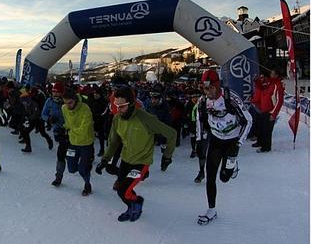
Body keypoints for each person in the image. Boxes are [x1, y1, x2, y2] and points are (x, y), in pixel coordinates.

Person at [96, 86, 176, 222]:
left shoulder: (146, 118)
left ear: (132, 104)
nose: (118, 109)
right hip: (126, 160)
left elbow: (172, 134)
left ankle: (137, 202)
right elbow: (114, 142)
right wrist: (105, 160)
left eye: (122, 106)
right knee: (121, 190)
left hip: (141, 162)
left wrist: (167, 156)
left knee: (124, 191)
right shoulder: (117, 119)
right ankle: (131, 207)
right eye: (116, 105)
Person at [195, 69, 252, 225]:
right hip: (216, 140)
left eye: (210, 88)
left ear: (217, 85)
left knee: (224, 178)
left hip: (232, 142)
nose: (207, 92)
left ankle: (232, 165)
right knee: (210, 176)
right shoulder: (203, 101)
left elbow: (248, 120)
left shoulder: (230, 98)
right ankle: (211, 210)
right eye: (204, 88)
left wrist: (239, 143)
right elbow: (199, 120)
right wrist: (199, 140)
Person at [61, 88, 95, 196]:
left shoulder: (85, 109)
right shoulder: (64, 108)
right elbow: (67, 123)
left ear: (75, 99)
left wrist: (70, 130)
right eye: (65, 103)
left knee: (82, 169)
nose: (68, 106)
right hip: (73, 142)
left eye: (70, 102)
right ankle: (85, 166)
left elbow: (84, 129)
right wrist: (63, 128)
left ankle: (87, 184)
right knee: (71, 169)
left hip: (86, 143)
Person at [252, 69, 284, 153]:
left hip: (270, 111)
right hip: (264, 109)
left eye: (272, 73)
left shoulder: (278, 85)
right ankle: (262, 143)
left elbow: (279, 101)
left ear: (276, 75)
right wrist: (256, 81)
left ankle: (266, 148)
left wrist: (273, 114)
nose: (271, 74)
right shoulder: (270, 82)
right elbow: (262, 88)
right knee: (262, 128)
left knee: (267, 130)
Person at [42, 82, 67, 186]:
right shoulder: (49, 101)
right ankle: (58, 177)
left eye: (57, 92)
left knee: (68, 157)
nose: (55, 94)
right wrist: (49, 119)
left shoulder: (67, 101)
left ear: (62, 93)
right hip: (58, 131)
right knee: (61, 155)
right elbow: (43, 114)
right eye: (53, 91)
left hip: (71, 132)